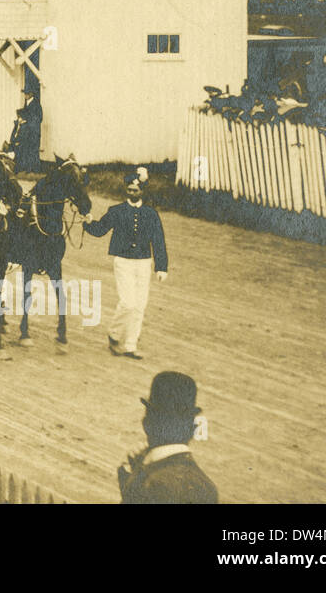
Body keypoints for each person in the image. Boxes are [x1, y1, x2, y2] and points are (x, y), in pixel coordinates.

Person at [85, 168, 168, 360]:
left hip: (144, 263)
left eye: (135, 190)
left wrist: (161, 266)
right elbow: (100, 229)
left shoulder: (151, 214)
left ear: (142, 192)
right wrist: (88, 222)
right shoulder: (116, 211)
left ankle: (131, 345)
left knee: (140, 305)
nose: (131, 193)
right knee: (128, 303)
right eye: (129, 190)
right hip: (123, 262)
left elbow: (158, 241)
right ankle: (114, 334)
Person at [118, 371, 217, 504]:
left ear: (146, 424)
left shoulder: (149, 484)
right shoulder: (207, 487)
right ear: (192, 429)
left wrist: (130, 479)